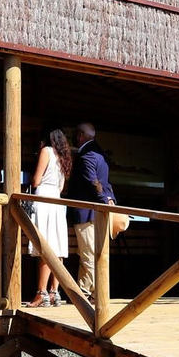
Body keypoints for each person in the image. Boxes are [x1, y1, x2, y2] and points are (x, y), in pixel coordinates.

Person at [65, 121, 116, 296]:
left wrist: (103, 199)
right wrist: (110, 200)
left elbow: (92, 182)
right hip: (98, 213)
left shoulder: (86, 156)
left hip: (86, 213)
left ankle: (89, 293)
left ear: (79, 136)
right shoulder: (100, 153)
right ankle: (87, 291)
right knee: (92, 253)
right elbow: (105, 181)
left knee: (88, 255)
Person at [25, 127, 73, 308]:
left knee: (44, 247)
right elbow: (61, 186)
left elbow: (36, 180)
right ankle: (55, 292)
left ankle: (41, 292)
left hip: (43, 199)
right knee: (57, 247)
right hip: (57, 201)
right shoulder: (63, 157)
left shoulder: (46, 152)